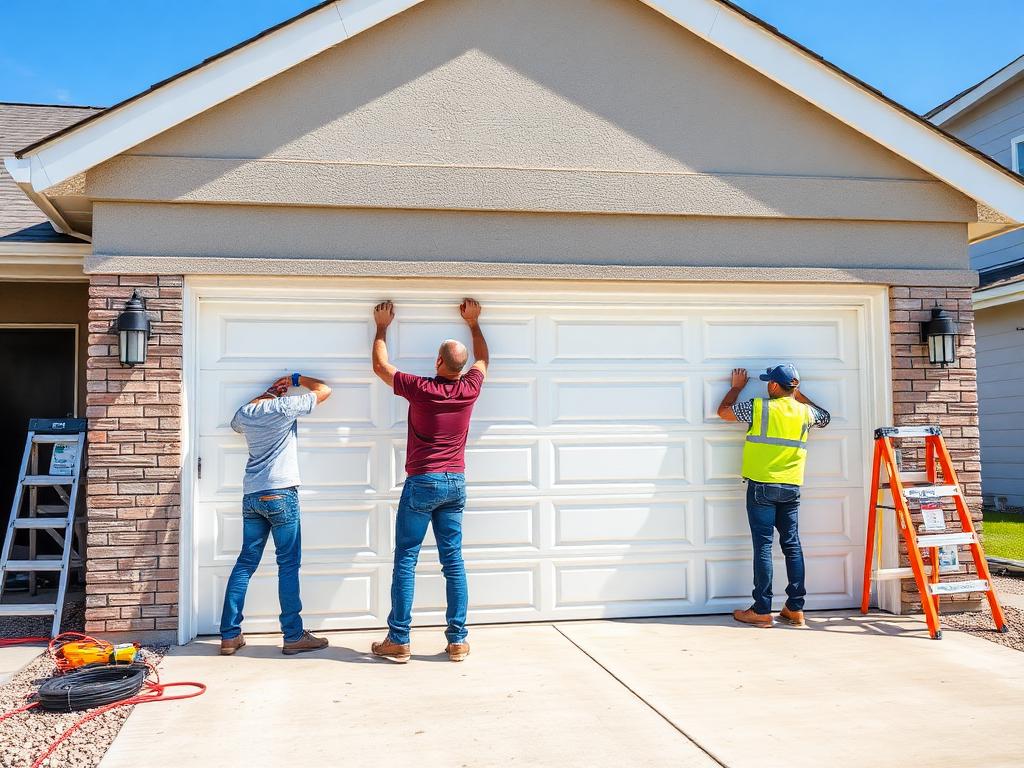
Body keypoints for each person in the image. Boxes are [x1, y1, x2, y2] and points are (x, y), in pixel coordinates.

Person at [369, 298, 489, 663]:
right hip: (456, 483)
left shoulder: (421, 388)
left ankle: (399, 639)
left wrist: (382, 326)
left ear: (438, 362)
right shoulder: (470, 388)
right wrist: (473, 323)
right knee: (453, 562)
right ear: (461, 366)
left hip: (423, 482)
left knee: (406, 558)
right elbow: (483, 360)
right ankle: (457, 641)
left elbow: (380, 366)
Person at [219, 373, 332, 656]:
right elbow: (324, 390)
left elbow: (235, 424)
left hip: (253, 496)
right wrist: (295, 378)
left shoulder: (246, 413)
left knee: (245, 563)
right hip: (281, 494)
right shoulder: (285, 408)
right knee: (288, 565)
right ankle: (293, 635)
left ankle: (230, 635)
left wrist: (266, 394)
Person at [717, 363, 830, 628]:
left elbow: (723, 413)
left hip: (762, 487)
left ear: (774, 386)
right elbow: (825, 417)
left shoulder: (759, 407)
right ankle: (795, 608)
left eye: (770, 382)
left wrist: (735, 388)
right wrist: (797, 396)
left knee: (764, 546)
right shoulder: (806, 413)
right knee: (792, 544)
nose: (768, 385)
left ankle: (761, 610)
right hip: (791, 486)